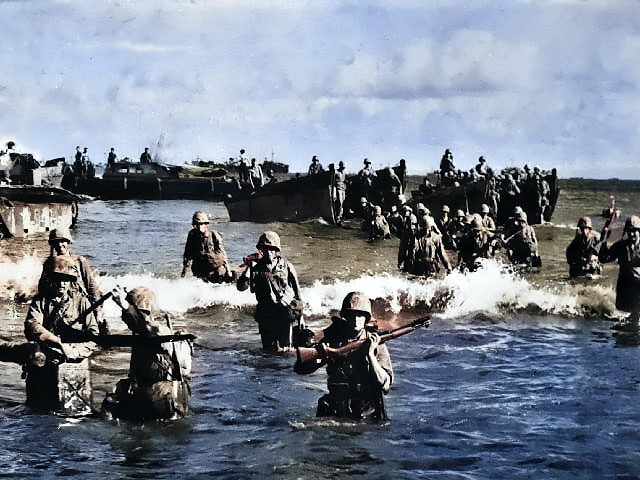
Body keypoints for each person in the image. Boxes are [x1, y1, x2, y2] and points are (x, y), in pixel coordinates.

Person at [297, 292, 393, 421]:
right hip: (336, 409)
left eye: (360, 315)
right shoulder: (333, 338)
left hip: (366, 413)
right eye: (351, 315)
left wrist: (370, 354)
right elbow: (301, 369)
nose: (356, 319)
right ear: (345, 316)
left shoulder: (376, 342)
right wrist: (323, 357)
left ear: (366, 318)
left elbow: (385, 384)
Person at [24, 255, 102, 412]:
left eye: (66, 279)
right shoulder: (41, 301)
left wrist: (75, 350)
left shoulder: (81, 302)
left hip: (74, 358)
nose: (62, 283)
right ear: (50, 279)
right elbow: (32, 326)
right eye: (58, 278)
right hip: (47, 357)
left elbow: (93, 336)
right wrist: (57, 343)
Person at [103, 286, 192, 421]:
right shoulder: (141, 334)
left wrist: (127, 308)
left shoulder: (159, 331)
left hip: (163, 399)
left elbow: (147, 326)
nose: (125, 319)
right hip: (153, 396)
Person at [237, 231, 303, 352]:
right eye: (265, 249)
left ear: (277, 250)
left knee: (285, 350)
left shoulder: (287, 266)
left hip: (284, 312)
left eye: (272, 249)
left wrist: (301, 318)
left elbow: (298, 295)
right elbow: (241, 287)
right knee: (268, 352)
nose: (268, 252)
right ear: (260, 250)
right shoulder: (255, 268)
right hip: (265, 314)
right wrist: (248, 268)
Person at [38, 227, 108, 335]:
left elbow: (91, 287)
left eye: (63, 241)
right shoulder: (49, 264)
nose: (60, 245)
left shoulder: (79, 262)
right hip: (58, 307)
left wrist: (98, 311)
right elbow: (41, 288)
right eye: (56, 242)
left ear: (68, 242)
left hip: (79, 307)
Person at [599, 215, 640, 328]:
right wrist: (604, 241)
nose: (631, 234)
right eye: (629, 231)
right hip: (624, 287)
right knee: (624, 319)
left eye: (634, 231)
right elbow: (604, 258)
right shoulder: (621, 246)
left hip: (638, 288)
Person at [181, 211, 233, 283]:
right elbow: (187, 254)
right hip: (200, 269)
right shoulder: (192, 235)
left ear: (206, 224)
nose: (199, 227)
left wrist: (228, 270)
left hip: (215, 268)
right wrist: (184, 272)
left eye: (201, 224)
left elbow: (223, 253)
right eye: (197, 225)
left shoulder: (214, 234)